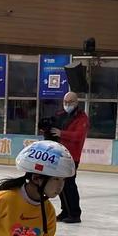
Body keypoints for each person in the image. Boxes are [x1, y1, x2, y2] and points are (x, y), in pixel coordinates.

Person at [50, 91, 89, 223]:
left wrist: (62, 133)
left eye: (70, 102)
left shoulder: (82, 118)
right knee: (60, 185)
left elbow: (78, 136)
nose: (67, 105)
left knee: (69, 185)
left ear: (76, 103)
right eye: (65, 102)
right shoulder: (61, 115)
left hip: (72, 157)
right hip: (59, 153)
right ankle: (65, 210)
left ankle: (75, 213)